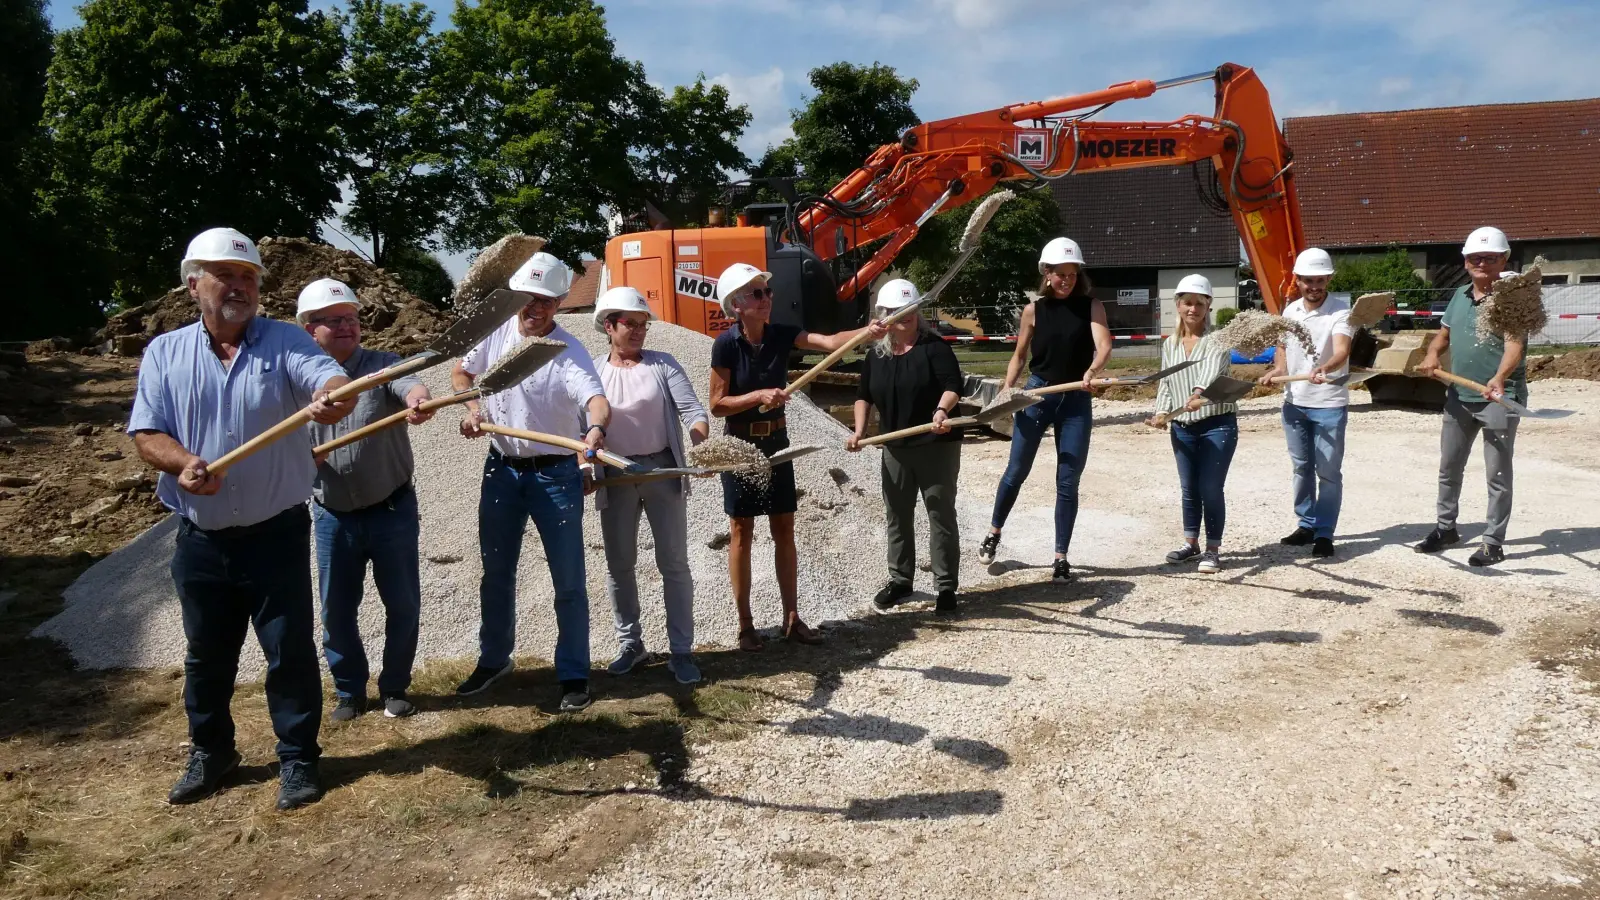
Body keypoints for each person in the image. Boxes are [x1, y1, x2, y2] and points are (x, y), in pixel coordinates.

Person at [129, 228, 355, 811]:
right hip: (200, 537)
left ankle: (299, 758)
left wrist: (335, 392)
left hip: (273, 532)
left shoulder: (284, 342)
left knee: (288, 650)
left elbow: (328, 381)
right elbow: (146, 433)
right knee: (206, 653)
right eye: (226, 275)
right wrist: (182, 463)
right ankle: (212, 751)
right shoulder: (163, 353)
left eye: (249, 277)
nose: (240, 286)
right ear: (193, 284)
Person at [451, 252, 610, 712]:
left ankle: (574, 672)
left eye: (545, 301)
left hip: (556, 474)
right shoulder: (498, 333)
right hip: (502, 469)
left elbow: (596, 401)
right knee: (496, 572)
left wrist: (594, 432)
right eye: (527, 299)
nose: (534, 309)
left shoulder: (567, 351)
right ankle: (494, 660)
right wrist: (472, 406)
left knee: (568, 579)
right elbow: (462, 370)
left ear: (560, 303)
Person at [708, 262, 887, 651]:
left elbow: (828, 341)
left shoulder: (782, 334)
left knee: (784, 528)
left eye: (767, 292)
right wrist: (758, 396)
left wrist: (867, 332)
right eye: (757, 293)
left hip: (777, 443)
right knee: (742, 531)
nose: (767, 298)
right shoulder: (725, 345)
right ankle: (745, 624)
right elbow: (718, 405)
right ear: (736, 304)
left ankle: (792, 618)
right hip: (739, 446)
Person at [299, 278, 434, 721]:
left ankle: (395, 685)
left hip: (390, 508)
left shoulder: (382, 367)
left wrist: (419, 400)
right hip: (331, 515)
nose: (346, 327)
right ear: (309, 329)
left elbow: (409, 385)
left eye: (352, 320)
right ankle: (349, 691)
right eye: (334, 321)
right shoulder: (297, 384)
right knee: (336, 608)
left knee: (402, 603)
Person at [591, 287, 710, 685]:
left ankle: (681, 651)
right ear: (609, 326)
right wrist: (585, 468)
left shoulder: (663, 364)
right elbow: (581, 427)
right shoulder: (593, 371)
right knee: (620, 564)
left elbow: (692, 411)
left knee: (673, 562)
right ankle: (631, 644)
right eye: (631, 324)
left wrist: (702, 446)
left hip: (662, 471)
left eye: (643, 324)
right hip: (616, 475)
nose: (640, 331)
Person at [978, 237, 1113, 582]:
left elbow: (1103, 345)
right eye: (1059, 274)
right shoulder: (1033, 310)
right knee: (1017, 469)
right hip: (1038, 395)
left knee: (1068, 479)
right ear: (1047, 273)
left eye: (1071, 274)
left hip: (1076, 400)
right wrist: (1008, 390)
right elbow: (1020, 356)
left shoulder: (1092, 306)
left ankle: (1060, 558)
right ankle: (994, 532)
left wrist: (1092, 372)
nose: (1066, 280)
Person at [846, 279, 964, 614]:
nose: (906, 317)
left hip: (935, 444)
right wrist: (858, 431)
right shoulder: (877, 355)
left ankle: (945, 587)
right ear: (883, 316)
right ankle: (900, 580)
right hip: (894, 447)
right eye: (898, 312)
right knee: (897, 514)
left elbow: (953, 385)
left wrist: (942, 410)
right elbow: (863, 396)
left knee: (939, 512)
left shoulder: (934, 347)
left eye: (910, 310)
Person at [1414, 226, 1528, 567]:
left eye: (1490, 258)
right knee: (1449, 467)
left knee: (1497, 473)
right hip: (1459, 395)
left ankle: (1493, 541)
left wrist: (1499, 377)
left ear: (1503, 260)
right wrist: (1433, 354)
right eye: (1475, 258)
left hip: (1498, 398)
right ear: (1465, 262)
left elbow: (1514, 344)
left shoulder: (1512, 299)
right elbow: (1443, 334)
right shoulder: (1460, 295)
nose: (1482, 263)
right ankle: (1446, 528)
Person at [1257, 247, 1353, 558]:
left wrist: (1327, 367)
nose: (1314, 286)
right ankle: (1306, 524)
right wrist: (1280, 368)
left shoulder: (1341, 311)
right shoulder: (1290, 312)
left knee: (1328, 471)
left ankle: (1324, 534)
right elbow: (1282, 344)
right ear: (1297, 280)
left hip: (1328, 403)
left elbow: (1341, 349)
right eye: (1308, 280)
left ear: (1328, 280)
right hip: (1294, 402)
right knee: (1301, 468)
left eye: (1320, 280)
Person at [1145, 274, 1238, 574]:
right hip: (1182, 427)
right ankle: (1191, 543)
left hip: (1217, 423)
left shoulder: (1219, 340)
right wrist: (1161, 413)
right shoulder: (1170, 344)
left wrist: (1198, 394)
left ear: (1209, 306)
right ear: (1178, 306)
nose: (1193, 309)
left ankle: (1213, 550)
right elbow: (1165, 384)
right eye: (1188, 303)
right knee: (1189, 489)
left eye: (1199, 303)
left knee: (1210, 487)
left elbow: (1210, 372)